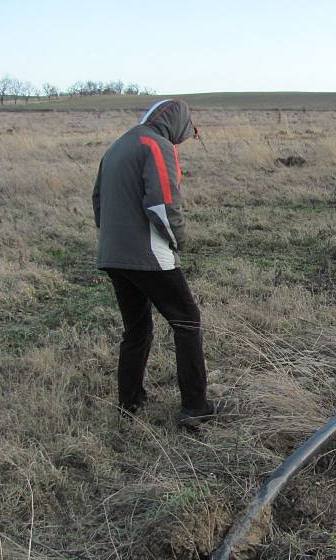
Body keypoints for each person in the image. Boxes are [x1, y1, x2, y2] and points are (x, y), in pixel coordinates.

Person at [92, 99, 216, 426]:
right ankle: (195, 406)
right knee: (187, 320)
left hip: (112, 253)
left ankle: (129, 402)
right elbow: (162, 202)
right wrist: (178, 240)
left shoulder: (119, 145)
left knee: (137, 329)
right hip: (147, 253)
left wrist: (113, 239)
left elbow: (98, 201)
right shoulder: (156, 145)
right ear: (175, 123)